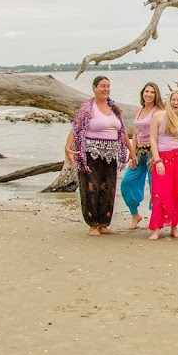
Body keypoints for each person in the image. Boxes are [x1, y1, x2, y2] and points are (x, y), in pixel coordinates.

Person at [66, 75, 129, 236]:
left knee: (108, 188)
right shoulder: (87, 108)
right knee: (90, 187)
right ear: (94, 88)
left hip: (110, 154)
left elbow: (121, 132)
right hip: (90, 153)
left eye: (108, 86)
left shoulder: (114, 108)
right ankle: (92, 225)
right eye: (102, 86)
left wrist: (132, 152)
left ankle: (103, 223)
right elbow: (76, 129)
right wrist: (68, 148)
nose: (106, 89)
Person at [148, 90, 178, 240]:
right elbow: (153, 140)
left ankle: (174, 227)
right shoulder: (158, 116)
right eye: (173, 100)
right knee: (160, 192)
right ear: (169, 101)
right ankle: (156, 228)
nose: (175, 103)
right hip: (163, 157)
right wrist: (157, 160)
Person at [122, 82, 164, 230]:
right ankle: (135, 215)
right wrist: (132, 153)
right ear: (142, 93)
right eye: (146, 91)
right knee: (126, 182)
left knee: (155, 187)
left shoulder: (159, 111)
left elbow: (161, 135)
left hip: (153, 153)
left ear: (156, 95)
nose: (149, 94)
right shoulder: (138, 111)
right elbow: (135, 133)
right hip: (139, 152)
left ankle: (154, 218)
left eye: (152, 92)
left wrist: (156, 156)